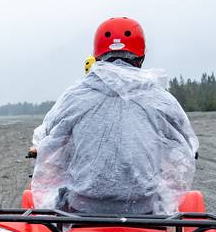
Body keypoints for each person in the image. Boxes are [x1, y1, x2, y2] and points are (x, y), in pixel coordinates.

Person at [29, 17, 199, 215]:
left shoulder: (74, 96)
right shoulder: (161, 98)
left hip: (82, 209)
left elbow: (47, 137)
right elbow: (186, 143)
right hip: (144, 210)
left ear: (97, 55)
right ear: (141, 57)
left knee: (55, 204)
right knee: (170, 207)